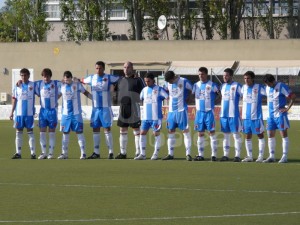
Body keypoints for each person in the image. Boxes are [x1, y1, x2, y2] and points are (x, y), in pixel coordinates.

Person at [79, 61, 120, 159]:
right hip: (95, 109)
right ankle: (96, 152)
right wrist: (74, 80)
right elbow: (82, 80)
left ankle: (110, 152)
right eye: (96, 68)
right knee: (95, 129)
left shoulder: (109, 77)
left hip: (106, 108)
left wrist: (114, 90)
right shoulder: (92, 78)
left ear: (104, 68)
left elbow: (121, 79)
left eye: (100, 68)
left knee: (107, 129)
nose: (98, 70)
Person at [58, 71, 92, 159]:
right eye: (65, 79)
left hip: (76, 114)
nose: (66, 81)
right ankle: (64, 153)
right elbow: (57, 95)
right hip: (65, 114)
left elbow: (86, 93)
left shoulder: (77, 85)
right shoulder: (61, 86)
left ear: (71, 78)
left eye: (68, 79)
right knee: (65, 133)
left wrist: (94, 99)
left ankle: (83, 153)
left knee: (79, 132)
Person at [263, 74, 296, 163]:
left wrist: (287, 108)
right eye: (266, 84)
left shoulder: (281, 86)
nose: (268, 86)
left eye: (269, 84)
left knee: (284, 135)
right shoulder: (267, 88)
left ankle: (284, 156)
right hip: (270, 116)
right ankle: (272, 156)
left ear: (273, 81)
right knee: (270, 135)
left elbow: (293, 96)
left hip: (280, 115)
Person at [134, 72, 169, 160]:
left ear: (153, 80)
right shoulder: (144, 90)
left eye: (148, 81)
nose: (147, 83)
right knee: (142, 133)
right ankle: (143, 154)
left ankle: (155, 154)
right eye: (145, 81)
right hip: (146, 117)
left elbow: (167, 97)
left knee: (156, 134)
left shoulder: (159, 89)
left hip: (156, 117)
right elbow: (140, 99)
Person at [115, 61, 145, 159]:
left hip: (134, 107)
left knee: (136, 129)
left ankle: (138, 152)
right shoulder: (120, 80)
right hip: (123, 107)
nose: (126, 69)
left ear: (132, 68)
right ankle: (123, 153)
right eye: (124, 67)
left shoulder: (138, 80)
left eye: (128, 67)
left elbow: (144, 91)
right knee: (122, 129)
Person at [162, 70, 193, 161]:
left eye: (170, 81)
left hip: (181, 110)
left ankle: (188, 154)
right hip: (171, 111)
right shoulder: (168, 83)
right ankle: (170, 154)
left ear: (173, 77)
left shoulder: (184, 81)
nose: (169, 83)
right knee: (171, 131)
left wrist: (189, 98)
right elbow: (165, 90)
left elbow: (193, 89)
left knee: (185, 132)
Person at [192, 67, 220, 162]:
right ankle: (201, 155)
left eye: (202, 74)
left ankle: (214, 155)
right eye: (199, 74)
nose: (200, 76)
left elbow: (219, 95)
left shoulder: (212, 85)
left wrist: (213, 102)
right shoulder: (196, 85)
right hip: (199, 113)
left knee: (211, 133)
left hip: (209, 112)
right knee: (200, 133)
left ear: (206, 74)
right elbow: (193, 96)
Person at [10, 68, 36, 159]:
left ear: (29, 76)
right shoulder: (17, 86)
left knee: (30, 133)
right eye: (22, 75)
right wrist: (12, 112)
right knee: (18, 133)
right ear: (20, 76)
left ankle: (33, 153)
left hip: (29, 114)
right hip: (19, 114)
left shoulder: (33, 85)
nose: (23, 77)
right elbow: (14, 99)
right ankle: (18, 153)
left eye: (25, 75)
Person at [35, 68, 61, 159]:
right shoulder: (38, 84)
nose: (45, 78)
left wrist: (58, 97)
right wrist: (19, 81)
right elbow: (27, 83)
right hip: (43, 112)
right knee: (42, 132)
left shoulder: (56, 83)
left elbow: (67, 82)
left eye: (47, 76)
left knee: (51, 132)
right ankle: (43, 153)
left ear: (50, 76)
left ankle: (50, 153)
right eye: (44, 76)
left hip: (52, 112)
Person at [241, 71, 266, 162]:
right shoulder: (243, 88)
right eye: (245, 78)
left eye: (248, 78)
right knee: (247, 136)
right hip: (246, 117)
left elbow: (269, 94)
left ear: (252, 79)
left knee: (260, 135)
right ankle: (250, 156)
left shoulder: (259, 87)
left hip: (256, 116)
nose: (246, 80)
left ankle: (260, 156)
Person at [219, 68, 243, 162]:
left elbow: (243, 96)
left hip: (233, 114)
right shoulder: (222, 86)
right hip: (223, 115)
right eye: (224, 75)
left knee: (236, 135)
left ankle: (237, 155)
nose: (225, 77)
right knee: (226, 136)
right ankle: (226, 155)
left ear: (231, 76)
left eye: (227, 75)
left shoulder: (237, 86)